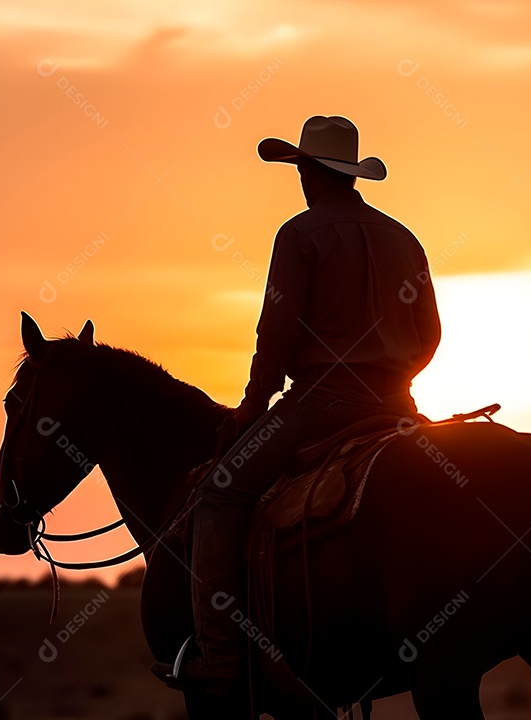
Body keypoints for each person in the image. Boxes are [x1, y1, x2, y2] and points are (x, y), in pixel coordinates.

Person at [169, 115, 441, 693]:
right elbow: (431, 335)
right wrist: (392, 380)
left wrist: (251, 407)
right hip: (399, 405)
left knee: (219, 493)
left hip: (321, 402)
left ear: (308, 171)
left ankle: (219, 656)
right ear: (352, 173)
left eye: (299, 169)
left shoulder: (299, 235)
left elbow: (278, 335)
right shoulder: (403, 238)